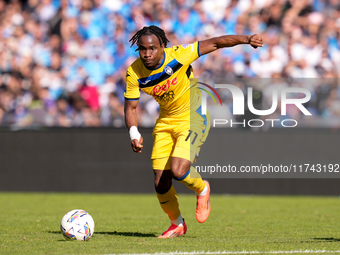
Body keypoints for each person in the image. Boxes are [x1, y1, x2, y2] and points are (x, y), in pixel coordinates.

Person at [124, 25, 263, 238]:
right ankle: (177, 224)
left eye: (152, 48)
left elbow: (215, 42)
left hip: (192, 118)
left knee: (179, 171)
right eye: (142, 49)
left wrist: (246, 38)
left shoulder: (179, 55)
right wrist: (134, 132)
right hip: (165, 123)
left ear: (162, 46)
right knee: (160, 182)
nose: (147, 54)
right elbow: (131, 108)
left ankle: (202, 188)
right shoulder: (134, 72)